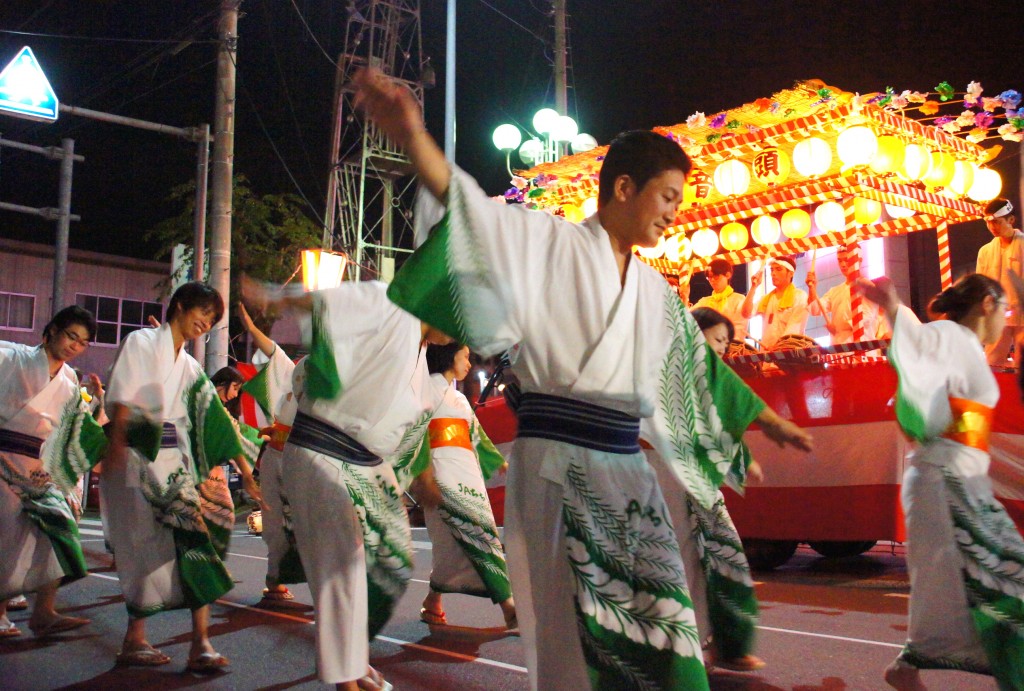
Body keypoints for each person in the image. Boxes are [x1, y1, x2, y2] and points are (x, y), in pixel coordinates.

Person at [357, 68, 812, 690]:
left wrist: (758, 419)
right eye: (667, 197)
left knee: (665, 630)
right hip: (557, 467)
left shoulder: (655, 292)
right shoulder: (549, 242)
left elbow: (694, 369)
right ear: (624, 187)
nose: (673, 216)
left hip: (629, 473)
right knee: (575, 640)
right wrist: (414, 136)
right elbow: (469, 212)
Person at [243, 277, 453, 691]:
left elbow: (410, 431)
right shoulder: (390, 304)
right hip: (324, 451)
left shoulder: (421, 365)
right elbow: (329, 303)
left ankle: (353, 662)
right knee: (342, 570)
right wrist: (276, 296)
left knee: (388, 562)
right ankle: (345, 679)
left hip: (365, 465)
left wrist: (425, 481)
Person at [856, 274, 1024, 691]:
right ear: (987, 304)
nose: (1006, 320)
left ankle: (909, 664)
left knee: (957, 583)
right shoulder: (948, 335)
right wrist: (894, 309)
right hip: (945, 478)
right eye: (1004, 309)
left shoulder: (966, 346)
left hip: (958, 478)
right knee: (1008, 574)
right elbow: (916, 346)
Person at [101, 281, 262, 672]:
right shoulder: (142, 343)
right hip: (140, 460)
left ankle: (199, 643)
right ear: (178, 306)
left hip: (177, 465)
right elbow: (122, 399)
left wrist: (245, 472)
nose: (205, 323)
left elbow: (215, 420)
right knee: (147, 552)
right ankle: (138, 639)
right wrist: (116, 450)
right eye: (202, 313)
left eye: (211, 319)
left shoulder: (189, 367)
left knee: (195, 542)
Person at [659, 306, 765, 671]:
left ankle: (724, 644)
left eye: (727, 343)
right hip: (668, 480)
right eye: (717, 339)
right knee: (683, 563)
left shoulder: (706, 380)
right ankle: (691, 647)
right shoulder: (668, 371)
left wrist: (742, 458)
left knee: (725, 558)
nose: (723, 348)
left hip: (701, 484)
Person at [1, 306, 107, 639]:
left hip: (37, 466)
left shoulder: (69, 380)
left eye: (83, 342)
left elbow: (75, 428)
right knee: (5, 536)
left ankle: (44, 611)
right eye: (71, 336)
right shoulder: (12, 356)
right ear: (52, 330)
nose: (75, 345)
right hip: (3, 454)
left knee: (57, 528)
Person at [412, 343, 516, 629]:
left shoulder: (459, 399)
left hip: (466, 469)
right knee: (476, 531)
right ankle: (509, 607)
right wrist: (423, 476)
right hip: (440, 468)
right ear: (449, 356)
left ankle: (433, 600)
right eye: (465, 357)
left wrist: (500, 465)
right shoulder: (421, 391)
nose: (470, 364)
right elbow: (413, 435)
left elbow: (478, 439)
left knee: (454, 539)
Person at [236, 302, 304, 604]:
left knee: (299, 523)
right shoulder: (293, 379)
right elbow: (276, 354)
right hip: (277, 460)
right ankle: (275, 581)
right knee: (275, 522)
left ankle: (304, 580)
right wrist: (251, 330)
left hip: (300, 464)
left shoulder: (329, 390)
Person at [975, 197, 1024, 365]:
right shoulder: (985, 251)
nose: (992, 227)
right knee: (992, 362)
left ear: (1011, 219)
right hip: (997, 314)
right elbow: (981, 285)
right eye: (989, 223)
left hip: (1022, 314)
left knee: (1022, 363)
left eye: (997, 222)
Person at [806, 244, 885, 344]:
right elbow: (815, 310)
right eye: (840, 261)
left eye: (846, 260)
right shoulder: (835, 291)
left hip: (862, 351)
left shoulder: (868, 287)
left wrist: (838, 327)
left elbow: (866, 317)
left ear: (859, 260)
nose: (843, 264)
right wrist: (812, 288)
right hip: (839, 351)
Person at [748, 256, 809, 348]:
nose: (773, 273)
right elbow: (746, 313)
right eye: (772, 270)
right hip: (767, 356)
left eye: (778, 269)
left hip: (790, 355)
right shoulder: (766, 299)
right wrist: (753, 287)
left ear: (791, 274)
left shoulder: (800, 296)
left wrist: (778, 348)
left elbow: (794, 329)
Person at [692, 258, 752, 341]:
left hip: (733, 348)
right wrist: (684, 297)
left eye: (716, 276)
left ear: (728, 275)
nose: (712, 280)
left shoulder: (738, 299)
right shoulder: (704, 301)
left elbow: (742, 322)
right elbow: (687, 318)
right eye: (709, 277)